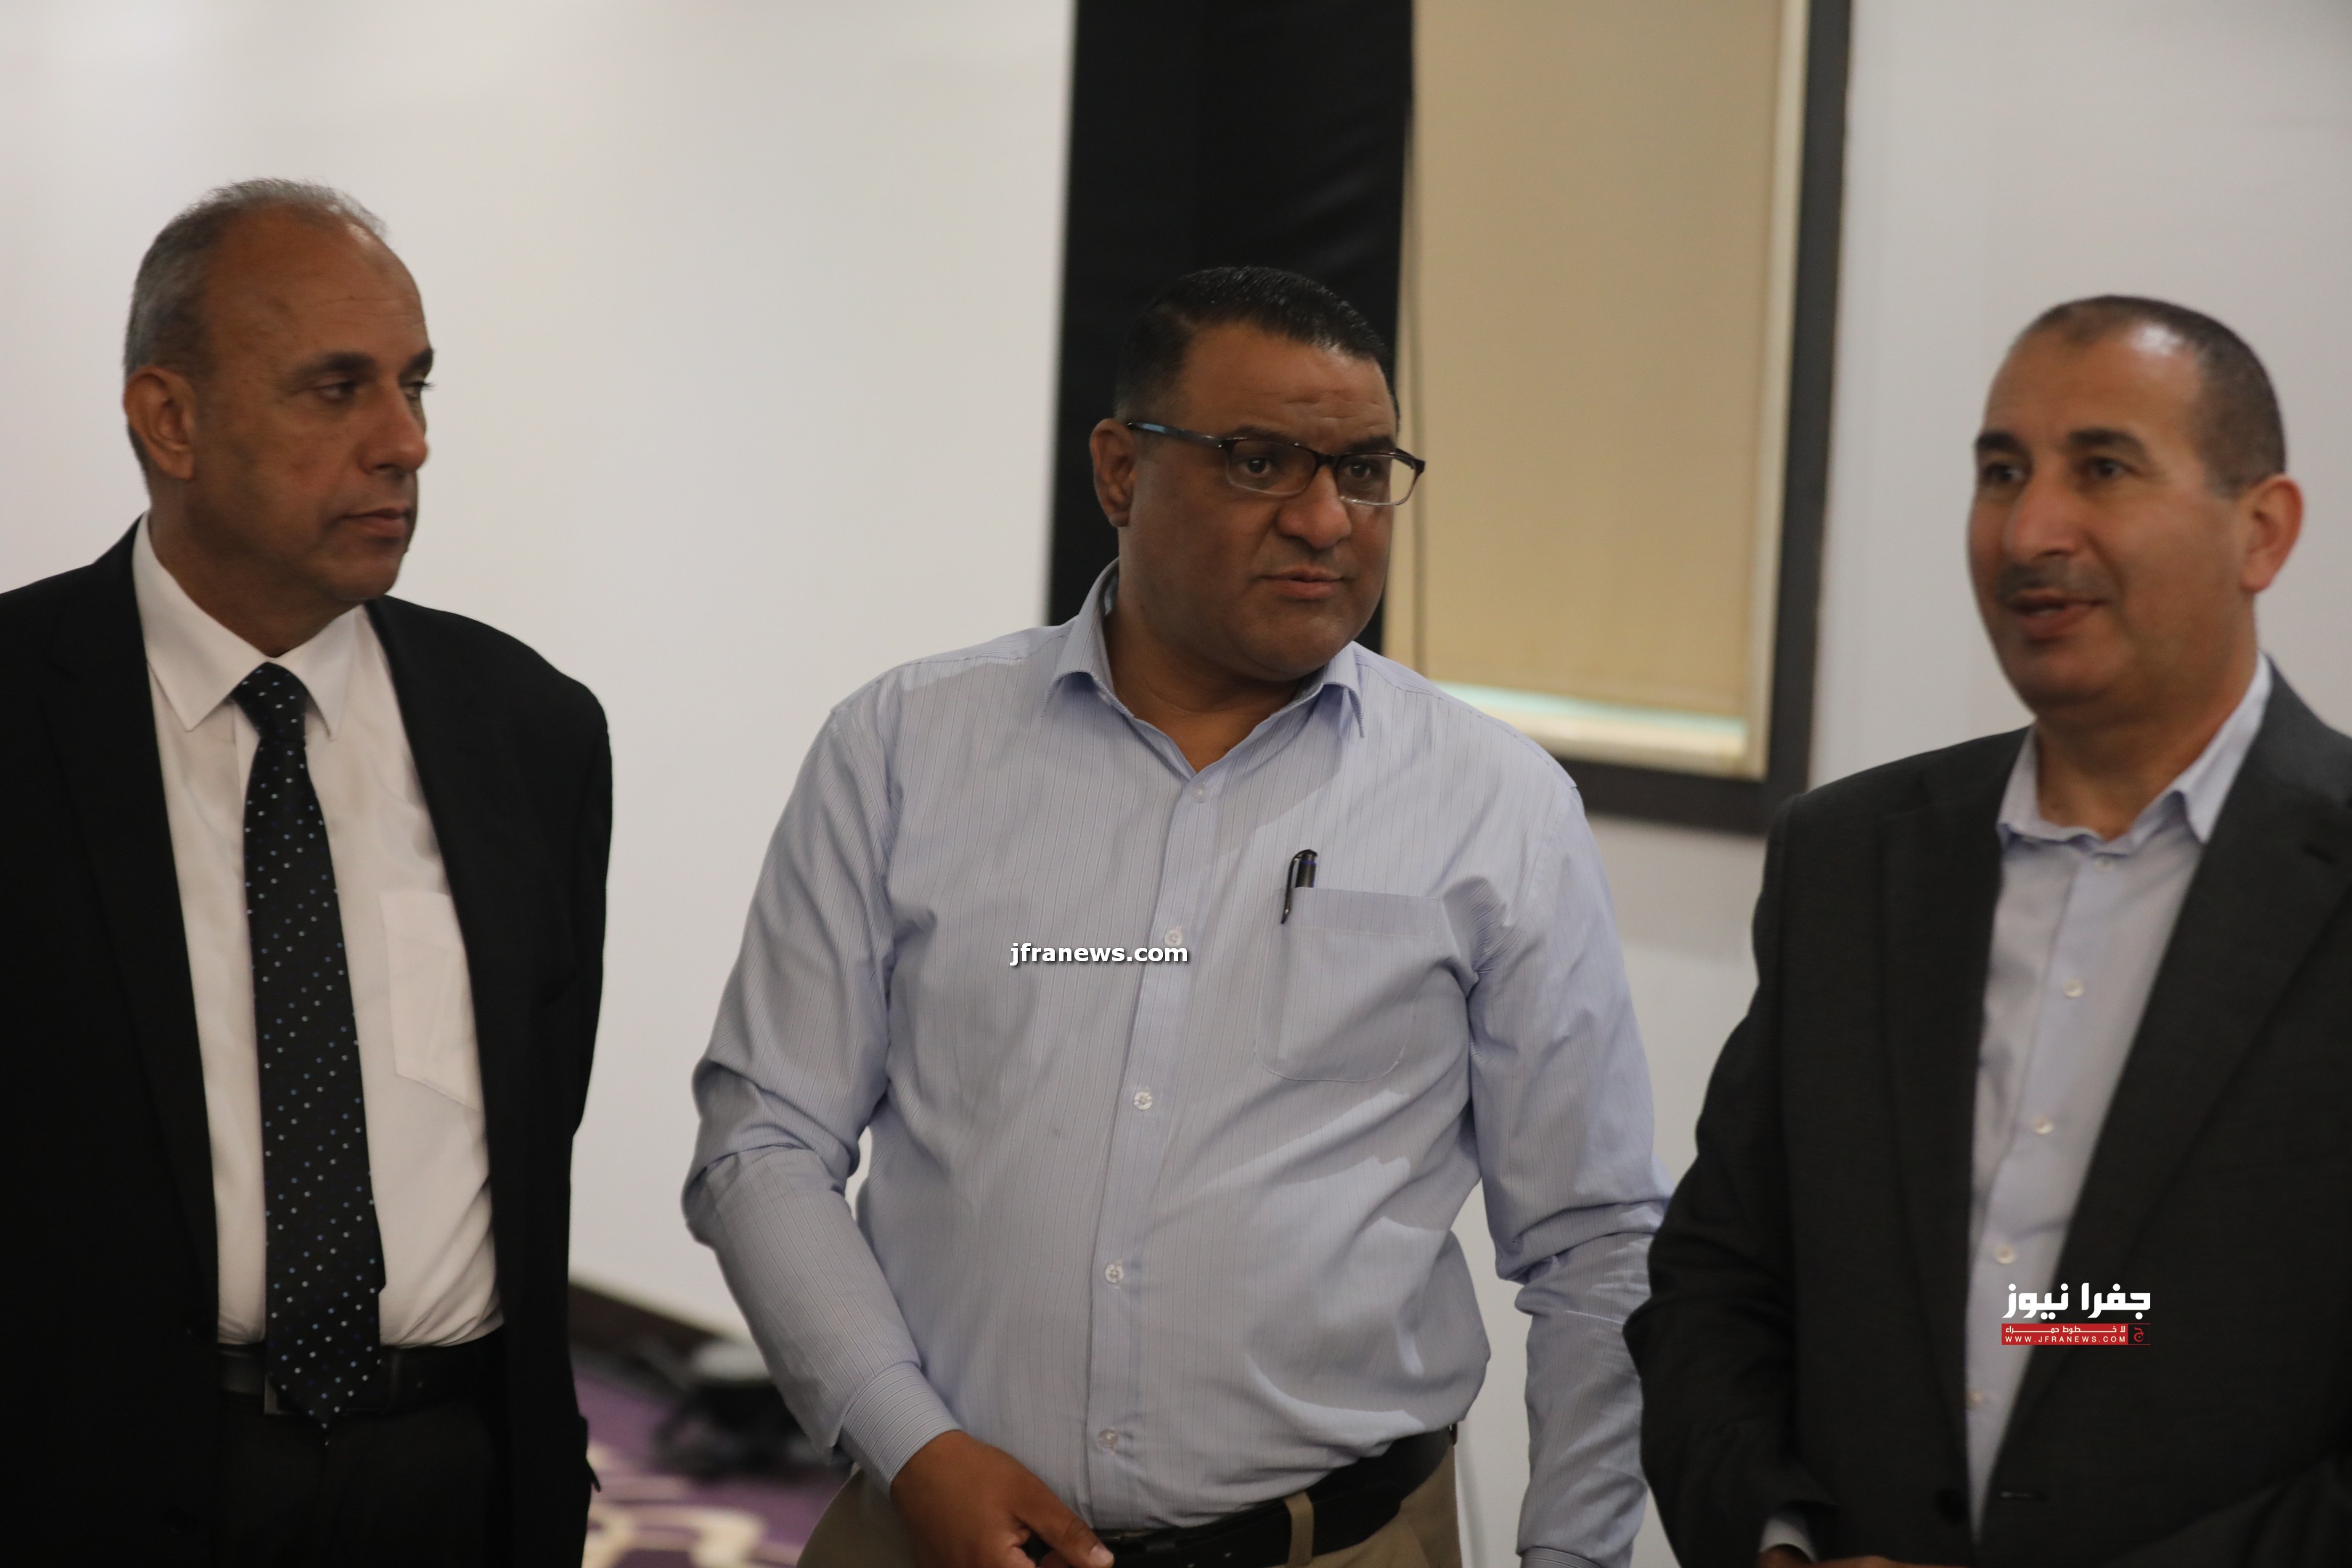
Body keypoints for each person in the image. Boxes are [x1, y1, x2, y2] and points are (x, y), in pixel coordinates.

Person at [687, 266, 1667, 1568]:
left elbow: (1596, 1243)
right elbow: (765, 1141)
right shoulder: (907, 749)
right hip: (928, 1528)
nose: (1324, 519)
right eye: (1261, 461)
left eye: (1363, 470)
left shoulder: (1497, 807)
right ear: (1119, 470)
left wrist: (1577, 1558)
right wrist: (910, 1444)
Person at [1628, 296, 2351, 1567]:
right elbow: (1718, 1283)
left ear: (2263, 530)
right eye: (2002, 473)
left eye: (2103, 468)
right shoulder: (1848, 862)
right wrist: (1780, 1542)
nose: (2030, 531)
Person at [0, 181, 610, 1566]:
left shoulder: (533, 732)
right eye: (338, 389)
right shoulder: (22, 708)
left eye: (414, 384)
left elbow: (541, 1120)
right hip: (91, 1484)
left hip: (455, 1485)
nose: (406, 442)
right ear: (170, 420)